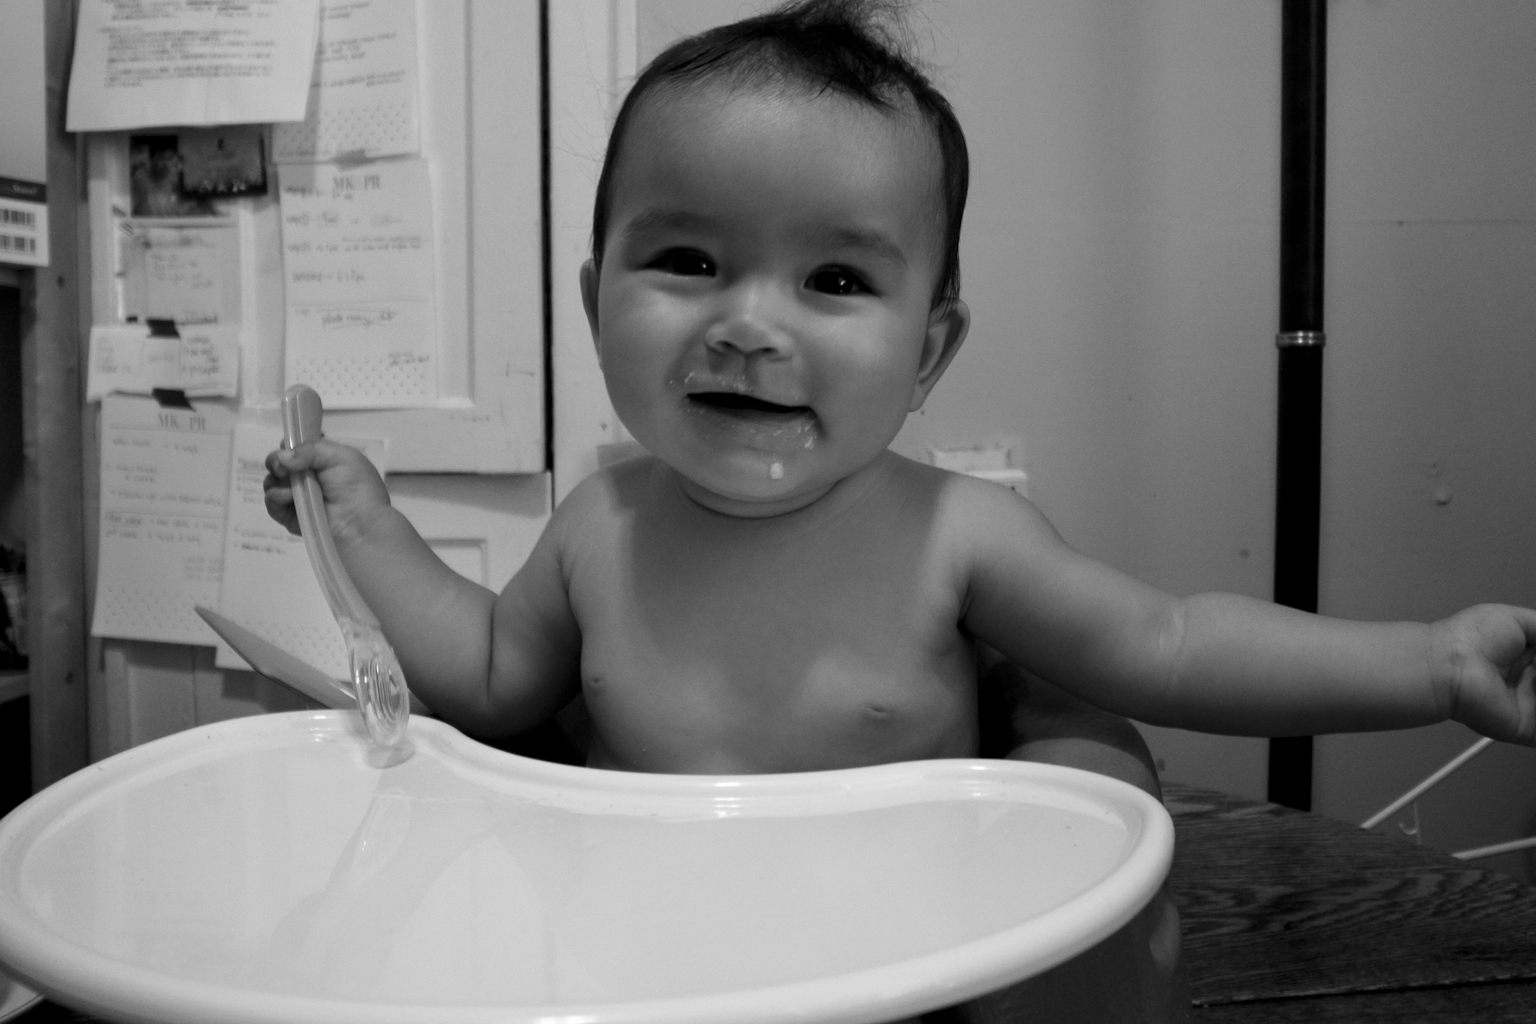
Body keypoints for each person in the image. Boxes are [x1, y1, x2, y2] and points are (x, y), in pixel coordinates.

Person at [265, 1, 1534, 1018]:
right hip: (658, 970)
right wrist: (364, 525)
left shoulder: (956, 538)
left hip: (916, 981)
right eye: (688, 261)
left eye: (833, 279)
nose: (748, 324)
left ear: (928, 351)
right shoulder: (601, 527)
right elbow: (492, 678)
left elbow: (1171, 646)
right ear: (598, 301)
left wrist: (1432, 664)